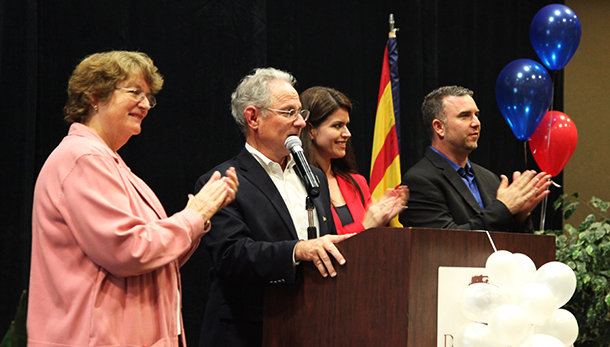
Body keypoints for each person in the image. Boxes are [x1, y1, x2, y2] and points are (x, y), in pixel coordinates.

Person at [27, 51, 238, 347]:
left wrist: (199, 216)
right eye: (135, 92)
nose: (145, 104)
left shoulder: (109, 163)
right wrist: (193, 215)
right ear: (94, 96)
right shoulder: (82, 159)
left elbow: (157, 259)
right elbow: (129, 250)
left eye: (148, 96)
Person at [194, 68, 354, 346]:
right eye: (289, 112)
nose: (300, 123)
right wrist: (296, 250)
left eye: (300, 113)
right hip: (249, 332)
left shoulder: (313, 177)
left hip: (312, 326)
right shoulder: (221, 181)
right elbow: (231, 255)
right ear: (253, 117)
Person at [399, 85, 551, 232]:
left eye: (476, 115)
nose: (476, 123)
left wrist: (520, 217)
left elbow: (509, 243)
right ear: (439, 127)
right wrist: (503, 208)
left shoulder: (489, 179)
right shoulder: (419, 180)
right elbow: (446, 242)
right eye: (465, 116)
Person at [299, 86, 408, 234]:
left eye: (346, 125)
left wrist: (383, 213)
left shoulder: (356, 182)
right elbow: (316, 242)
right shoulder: (296, 185)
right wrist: (365, 225)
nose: (347, 134)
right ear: (311, 130)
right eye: (337, 126)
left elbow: (376, 239)